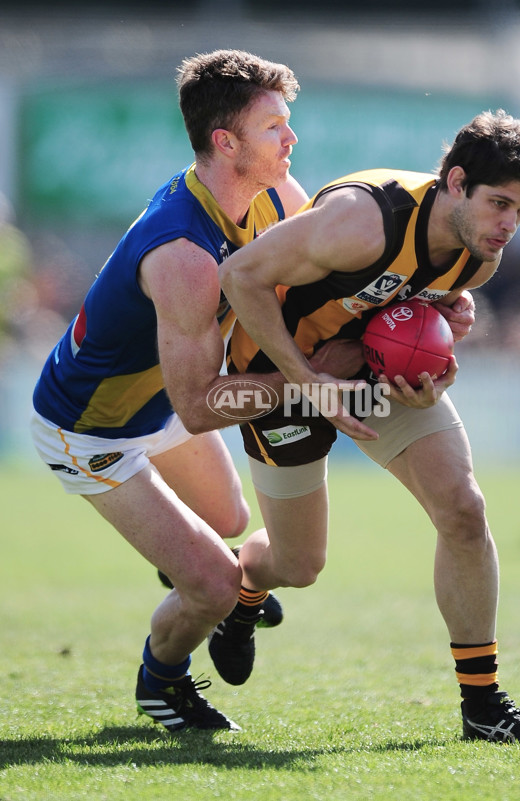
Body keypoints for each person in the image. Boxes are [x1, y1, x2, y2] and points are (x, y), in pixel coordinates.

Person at [215, 109, 520, 743]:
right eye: (499, 203)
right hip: (279, 375)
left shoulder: (479, 258)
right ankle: (241, 595)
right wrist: (306, 381)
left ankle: (483, 707)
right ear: (456, 182)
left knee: (463, 510)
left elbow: (414, 315)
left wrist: (435, 353)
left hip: (366, 377)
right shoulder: (361, 220)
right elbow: (240, 276)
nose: (510, 224)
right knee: (298, 564)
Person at [29, 48, 319, 733]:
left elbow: (329, 273)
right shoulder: (183, 255)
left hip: (159, 401)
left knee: (228, 519)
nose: (291, 138)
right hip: (88, 430)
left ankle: (195, 572)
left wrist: (426, 304)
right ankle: (163, 680)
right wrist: (307, 382)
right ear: (226, 142)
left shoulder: (271, 193)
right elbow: (199, 404)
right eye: (274, 125)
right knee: (218, 584)